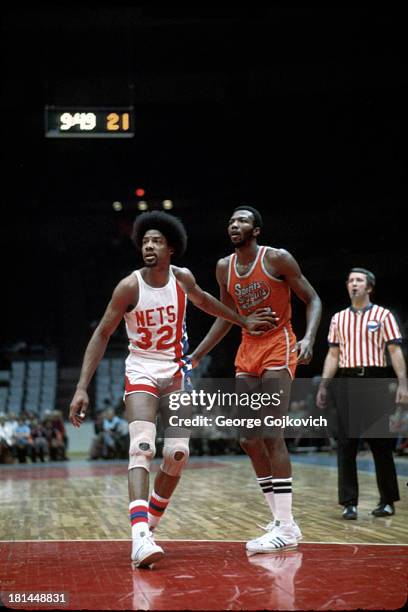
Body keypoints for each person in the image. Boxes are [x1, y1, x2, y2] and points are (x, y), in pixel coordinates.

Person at [69, 211, 275, 568]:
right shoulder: (129, 286)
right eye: (145, 241)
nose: (149, 246)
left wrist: (243, 321)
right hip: (142, 371)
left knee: (178, 454)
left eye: (157, 241)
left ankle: (149, 526)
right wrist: (81, 387)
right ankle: (138, 539)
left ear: (172, 248)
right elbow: (102, 333)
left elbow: (208, 302)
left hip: (176, 372)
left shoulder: (182, 279)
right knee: (142, 447)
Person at [191, 205, 322, 553]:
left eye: (243, 220)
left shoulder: (277, 259)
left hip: (279, 345)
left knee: (270, 433)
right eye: (231, 220)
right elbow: (224, 316)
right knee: (248, 438)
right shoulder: (224, 267)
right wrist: (199, 353)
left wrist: (308, 338)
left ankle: (286, 526)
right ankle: (281, 520)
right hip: (247, 351)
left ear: (257, 230)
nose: (235, 225)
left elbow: (313, 299)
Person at [316, 268, 408, 519]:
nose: (354, 284)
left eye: (359, 280)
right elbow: (333, 355)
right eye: (350, 280)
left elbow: (395, 352)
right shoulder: (338, 319)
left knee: (381, 444)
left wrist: (403, 384)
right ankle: (349, 503)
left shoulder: (384, 315)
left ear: (369, 287)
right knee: (346, 444)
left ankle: (387, 500)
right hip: (345, 382)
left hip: (376, 380)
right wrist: (324, 385)